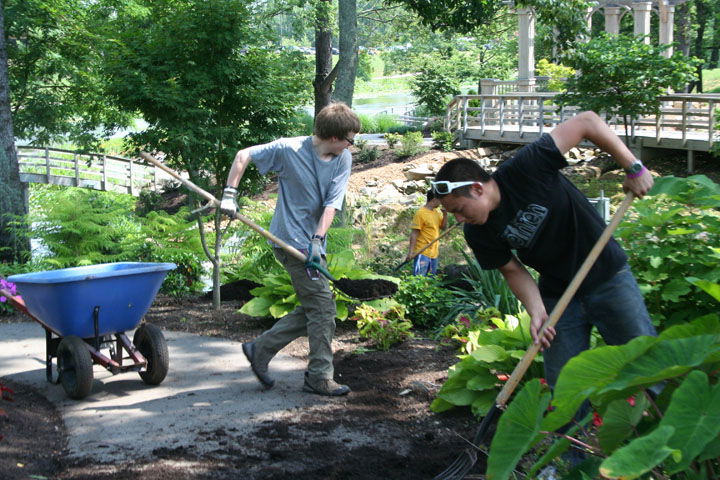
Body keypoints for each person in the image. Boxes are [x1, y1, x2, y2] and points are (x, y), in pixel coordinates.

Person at [431, 111, 657, 413]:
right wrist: (537, 311)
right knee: (564, 386)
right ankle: (568, 459)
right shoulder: (478, 231)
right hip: (559, 292)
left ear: (477, 188)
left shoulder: (526, 168)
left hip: (607, 277)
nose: (459, 219)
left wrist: (633, 165)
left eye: (459, 209)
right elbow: (512, 269)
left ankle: (679, 449)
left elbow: (587, 122)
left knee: (648, 364)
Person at [220, 102, 360, 396]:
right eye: (350, 139)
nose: (352, 145)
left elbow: (331, 203)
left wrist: (317, 240)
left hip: (310, 243)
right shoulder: (288, 149)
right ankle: (319, 377)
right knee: (322, 308)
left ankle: (260, 349)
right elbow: (243, 155)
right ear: (334, 137)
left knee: (318, 306)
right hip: (287, 241)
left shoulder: (342, 158)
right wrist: (230, 195)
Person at [405, 189, 448, 275]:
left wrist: (445, 214)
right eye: (440, 199)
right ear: (434, 199)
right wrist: (411, 252)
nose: (441, 202)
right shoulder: (421, 213)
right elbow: (414, 233)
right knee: (419, 280)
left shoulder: (436, 212)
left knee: (431, 281)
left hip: (434, 254)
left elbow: (443, 227)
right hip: (422, 252)